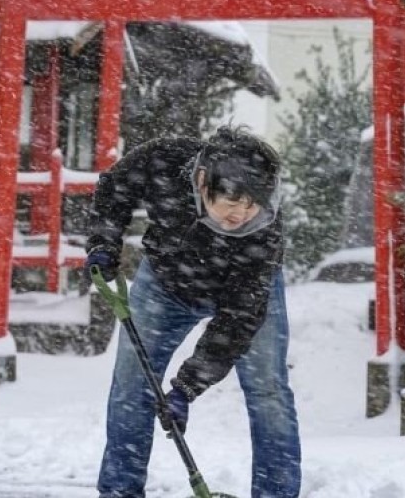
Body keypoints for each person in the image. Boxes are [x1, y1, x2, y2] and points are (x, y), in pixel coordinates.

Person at [86, 127, 301, 498]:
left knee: (268, 391)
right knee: (131, 387)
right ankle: (120, 492)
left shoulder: (263, 236)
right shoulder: (165, 160)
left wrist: (186, 387)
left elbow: (239, 319)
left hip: (240, 292)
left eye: (252, 205)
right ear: (203, 182)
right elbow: (114, 186)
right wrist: (105, 242)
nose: (242, 214)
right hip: (165, 284)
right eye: (232, 203)